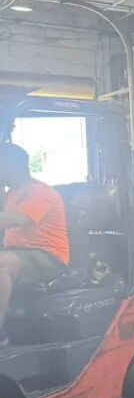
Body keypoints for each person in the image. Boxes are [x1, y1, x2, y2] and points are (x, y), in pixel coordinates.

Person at [0, 143, 70, 346]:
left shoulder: (39, 192)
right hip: (18, 252)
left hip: (48, 256)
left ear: (11, 166)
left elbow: (18, 219)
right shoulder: (11, 193)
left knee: (2, 264)